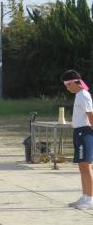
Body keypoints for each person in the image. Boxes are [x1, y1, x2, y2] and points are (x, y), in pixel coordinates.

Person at [61, 69, 93, 210]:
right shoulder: (79, 95)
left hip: (85, 132)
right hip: (78, 132)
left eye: (68, 85)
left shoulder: (83, 95)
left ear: (76, 82)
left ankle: (90, 199)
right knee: (82, 166)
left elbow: (90, 114)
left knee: (86, 166)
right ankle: (85, 196)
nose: (67, 88)